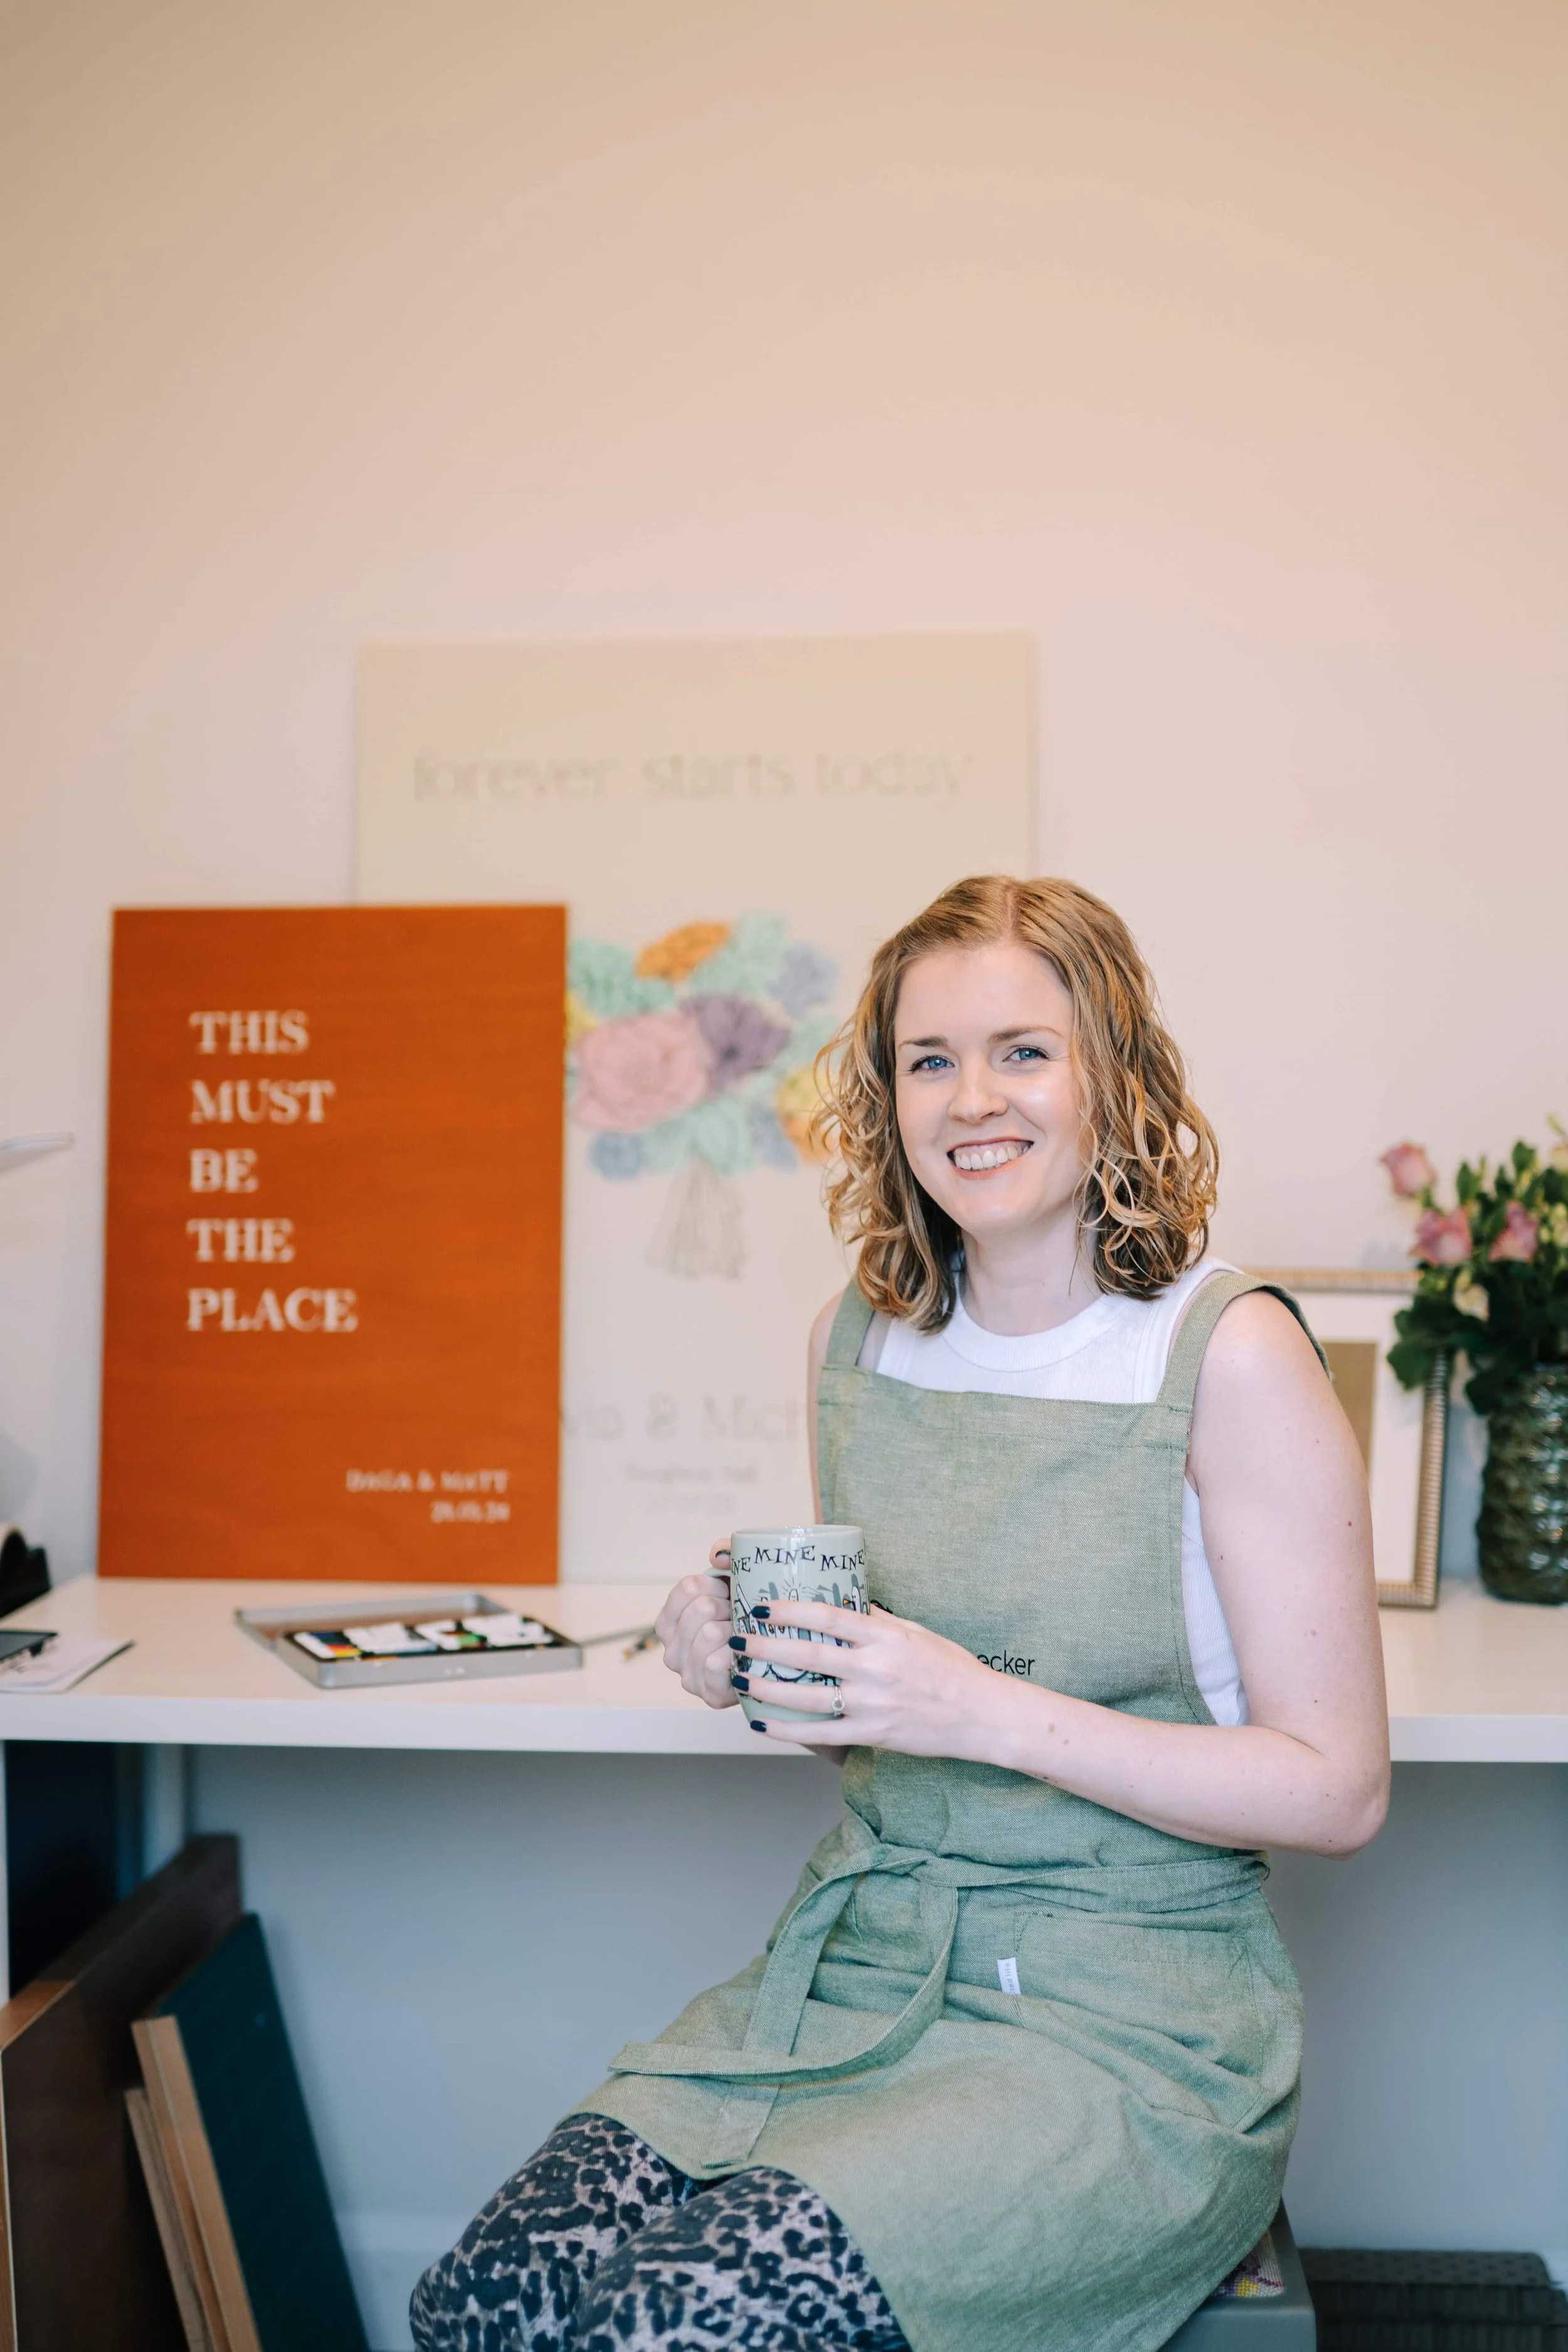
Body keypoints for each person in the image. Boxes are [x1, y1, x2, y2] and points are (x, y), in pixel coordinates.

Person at [412, 874, 1389, 2352]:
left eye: (1022, 1050)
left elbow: (1337, 1790)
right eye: (926, 1060)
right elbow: (870, 1730)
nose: (969, 1100)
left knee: (668, 2324)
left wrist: (976, 1708)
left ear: (1110, 1071)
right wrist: (741, 1654)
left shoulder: (1224, 1353)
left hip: (1125, 2029)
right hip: (860, 1967)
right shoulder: (858, 1340)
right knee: (489, 2301)